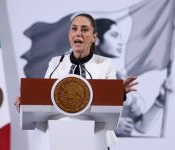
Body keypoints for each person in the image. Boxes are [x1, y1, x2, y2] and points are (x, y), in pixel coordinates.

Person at [15, 13, 138, 149]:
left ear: (94, 38)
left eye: (84, 30)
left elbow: (110, 102)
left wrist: (120, 93)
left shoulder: (105, 64)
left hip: (95, 139)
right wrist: (26, 102)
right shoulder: (56, 63)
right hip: (59, 138)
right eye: (74, 29)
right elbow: (45, 98)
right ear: (69, 35)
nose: (78, 34)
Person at [94, 18, 173, 136]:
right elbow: (68, 121)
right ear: (96, 40)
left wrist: (161, 99)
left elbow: (141, 127)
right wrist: (110, 127)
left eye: (120, 36)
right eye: (114, 35)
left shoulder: (120, 79)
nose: (121, 42)